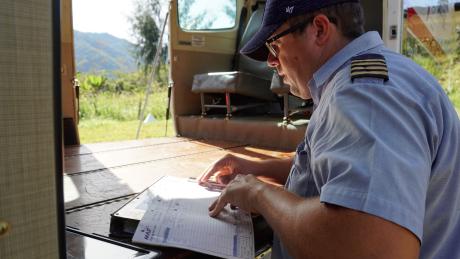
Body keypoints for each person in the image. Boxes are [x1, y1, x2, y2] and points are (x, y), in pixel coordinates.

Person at [199, 0, 460, 258]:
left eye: (275, 45)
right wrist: (258, 168)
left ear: (320, 30)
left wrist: (259, 194)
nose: (270, 61)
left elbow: (374, 249)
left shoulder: (365, 95)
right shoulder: (372, 76)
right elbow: (332, 167)